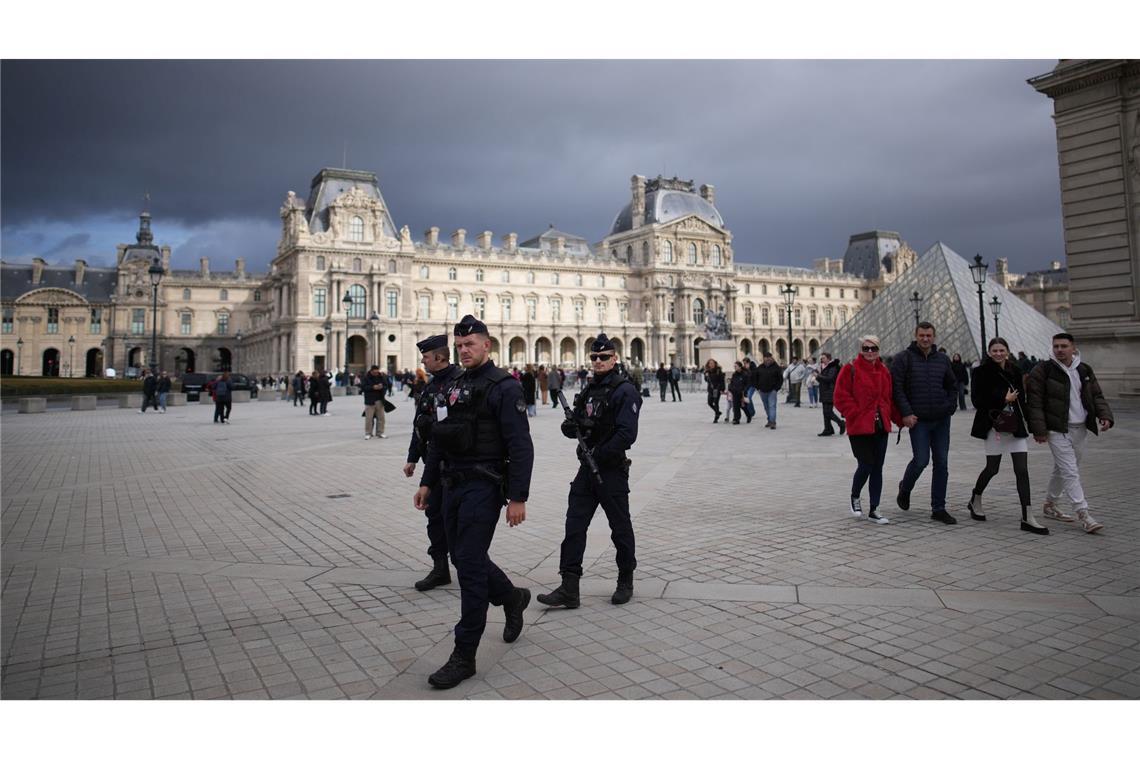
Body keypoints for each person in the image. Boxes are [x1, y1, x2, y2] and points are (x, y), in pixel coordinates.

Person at [415, 315, 534, 689]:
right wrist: (428, 482)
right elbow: (439, 438)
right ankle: (512, 597)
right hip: (451, 484)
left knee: (467, 566)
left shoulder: (504, 387)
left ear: (487, 345)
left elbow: (520, 446)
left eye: (471, 344)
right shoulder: (453, 386)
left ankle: (464, 655)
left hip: (484, 486)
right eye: (460, 345)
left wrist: (518, 496)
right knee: (464, 556)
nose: (464, 350)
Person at [539, 333, 641, 610]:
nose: (598, 361)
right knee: (574, 525)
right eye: (594, 357)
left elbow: (626, 434)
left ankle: (625, 579)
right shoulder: (588, 389)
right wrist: (570, 428)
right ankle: (569, 586)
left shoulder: (625, 390)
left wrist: (599, 452)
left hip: (610, 470)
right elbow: (577, 423)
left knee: (620, 527)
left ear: (614, 358)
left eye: (604, 357)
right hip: (587, 468)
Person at [1025, 332, 1114, 534]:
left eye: (1064, 346)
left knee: (1063, 468)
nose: (1059, 350)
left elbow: (1096, 395)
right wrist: (1039, 430)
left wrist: (1105, 415)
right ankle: (1084, 514)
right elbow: (1035, 402)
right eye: (1056, 346)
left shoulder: (1084, 369)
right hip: (1056, 429)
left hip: (1080, 427)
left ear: (1073, 348)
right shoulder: (1043, 370)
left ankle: (1050, 504)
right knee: (1070, 471)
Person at [966, 338, 1048, 534]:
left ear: (1008, 351)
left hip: (1015, 425)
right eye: (994, 350)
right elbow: (977, 400)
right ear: (989, 352)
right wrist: (1002, 398)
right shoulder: (980, 372)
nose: (998, 353)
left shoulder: (1015, 371)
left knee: (1022, 470)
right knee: (992, 469)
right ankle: (975, 497)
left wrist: (1035, 426)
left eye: (1001, 350)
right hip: (994, 426)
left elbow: (1023, 401)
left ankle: (1027, 516)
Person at [404, 334, 463, 593]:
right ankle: (440, 568)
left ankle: (468, 566)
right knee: (434, 516)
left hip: (455, 464)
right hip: (433, 464)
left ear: (439, 357)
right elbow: (420, 425)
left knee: (456, 519)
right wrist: (412, 458)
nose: (423, 361)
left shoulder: (459, 382)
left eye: (426, 357)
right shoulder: (430, 385)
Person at [892, 322, 960, 524]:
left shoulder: (942, 359)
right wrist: (906, 413)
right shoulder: (903, 358)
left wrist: (950, 406)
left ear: (934, 336)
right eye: (922, 335)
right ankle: (905, 488)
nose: (925, 339)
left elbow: (952, 385)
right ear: (915, 335)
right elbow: (897, 388)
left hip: (941, 419)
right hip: (918, 420)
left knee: (942, 463)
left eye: (929, 335)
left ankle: (938, 508)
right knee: (921, 460)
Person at [834, 335, 898, 524]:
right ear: (860, 350)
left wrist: (900, 419)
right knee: (866, 464)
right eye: (866, 348)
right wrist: (855, 412)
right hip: (860, 426)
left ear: (879, 350)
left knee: (877, 468)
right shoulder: (850, 369)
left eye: (873, 348)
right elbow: (840, 396)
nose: (870, 352)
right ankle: (855, 496)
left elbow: (889, 398)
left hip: (880, 427)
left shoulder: (884, 371)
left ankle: (875, 509)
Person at [816, 353, 845, 436]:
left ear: (828, 358)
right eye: (821, 358)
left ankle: (841, 423)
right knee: (825, 412)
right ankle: (828, 429)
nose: (822, 360)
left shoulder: (832, 367)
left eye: (823, 358)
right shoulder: (826, 367)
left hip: (830, 392)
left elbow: (829, 379)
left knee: (827, 412)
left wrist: (818, 376)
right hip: (825, 391)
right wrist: (819, 377)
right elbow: (823, 380)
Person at [753, 353, 783, 429]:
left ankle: (773, 422)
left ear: (771, 358)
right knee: (766, 406)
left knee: (772, 406)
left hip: (772, 390)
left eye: (768, 358)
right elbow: (754, 377)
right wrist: (758, 388)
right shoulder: (760, 367)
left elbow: (780, 379)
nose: (767, 359)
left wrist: (776, 389)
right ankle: (769, 420)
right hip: (762, 390)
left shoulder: (776, 368)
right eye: (765, 358)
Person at [360, 365, 389, 439]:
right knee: (369, 418)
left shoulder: (381, 377)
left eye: (377, 372)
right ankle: (368, 433)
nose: (376, 373)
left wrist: (382, 387)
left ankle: (380, 432)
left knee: (381, 418)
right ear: (371, 371)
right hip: (370, 401)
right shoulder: (366, 377)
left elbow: (386, 385)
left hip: (380, 400)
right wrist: (373, 387)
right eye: (375, 372)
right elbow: (363, 387)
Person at [704, 359, 726, 423]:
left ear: (715, 364)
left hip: (716, 389)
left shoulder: (718, 370)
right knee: (709, 402)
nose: (711, 364)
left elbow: (722, 380)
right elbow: (706, 380)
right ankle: (718, 412)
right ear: (708, 364)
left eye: (712, 363)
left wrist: (722, 389)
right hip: (710, 389)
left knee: (715, 402)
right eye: (710, 363)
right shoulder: (707, 371)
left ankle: (716, 417)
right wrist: (706, 376)